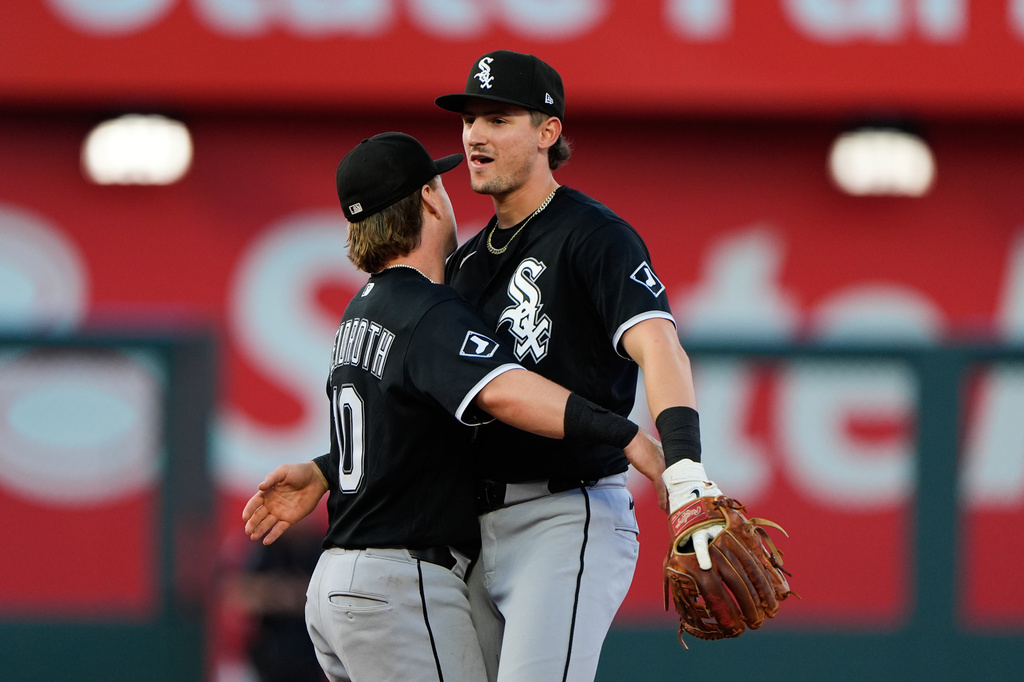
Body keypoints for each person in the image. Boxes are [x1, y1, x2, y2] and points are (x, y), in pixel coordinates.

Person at [241, 132, 667, 682]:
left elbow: (403, 426)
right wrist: (626, 436)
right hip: (400, 582)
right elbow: (504, 390)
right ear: (428, 200)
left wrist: (327, 471)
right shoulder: (427, 308)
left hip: (338, 583)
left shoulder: (362, 311)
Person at [432, 49, 727, 682]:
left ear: (548, 131)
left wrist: (683, 464)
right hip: (473, 528)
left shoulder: (593, 235)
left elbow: (660, 347)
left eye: (499, 118)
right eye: (469, 118)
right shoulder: (466, 265)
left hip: (565, 516)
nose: (475, 134)